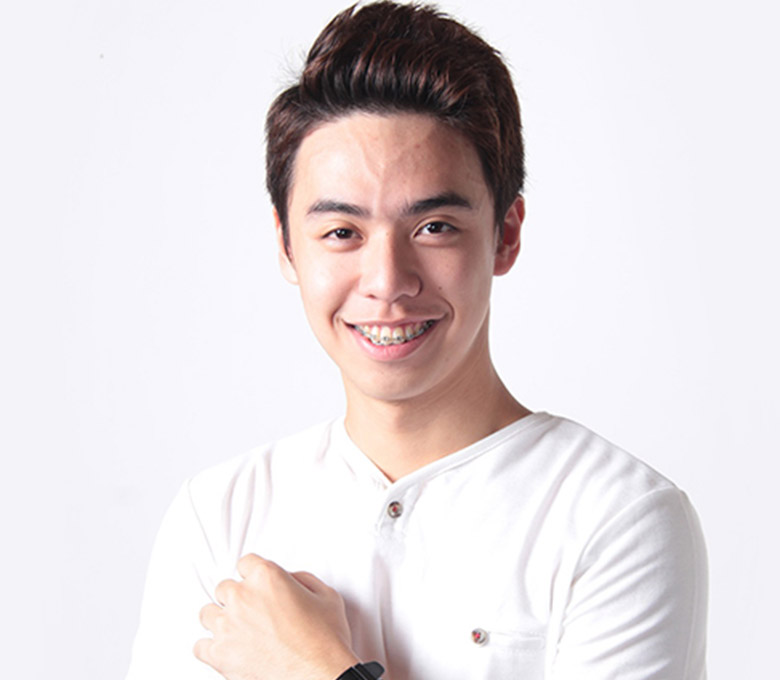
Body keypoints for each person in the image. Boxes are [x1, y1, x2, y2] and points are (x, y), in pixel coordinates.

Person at [126, 2, 708, 679]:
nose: (387, 281)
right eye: (341, 233)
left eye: (434, 227)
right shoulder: (219, 515)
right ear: (287, 247)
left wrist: (315, 668)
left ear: (505, 234)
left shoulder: (616, 519)